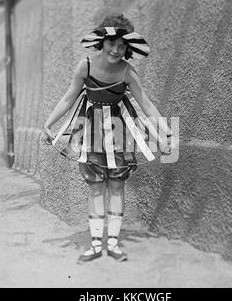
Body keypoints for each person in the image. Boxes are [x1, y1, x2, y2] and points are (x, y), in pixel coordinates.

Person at [43, 14, 173, 263]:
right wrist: (48, 124)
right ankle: (94, 245)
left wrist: (166, 132)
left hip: (120, 134)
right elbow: (69, 98)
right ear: (102, 41)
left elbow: (146, 103)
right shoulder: (85, 66)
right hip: (91, 133)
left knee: (116, 186)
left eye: (122, 46)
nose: (116, 49)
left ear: (127, 48)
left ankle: (112, 243)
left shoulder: (127, 71)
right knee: (95, 188)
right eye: (112, 43)